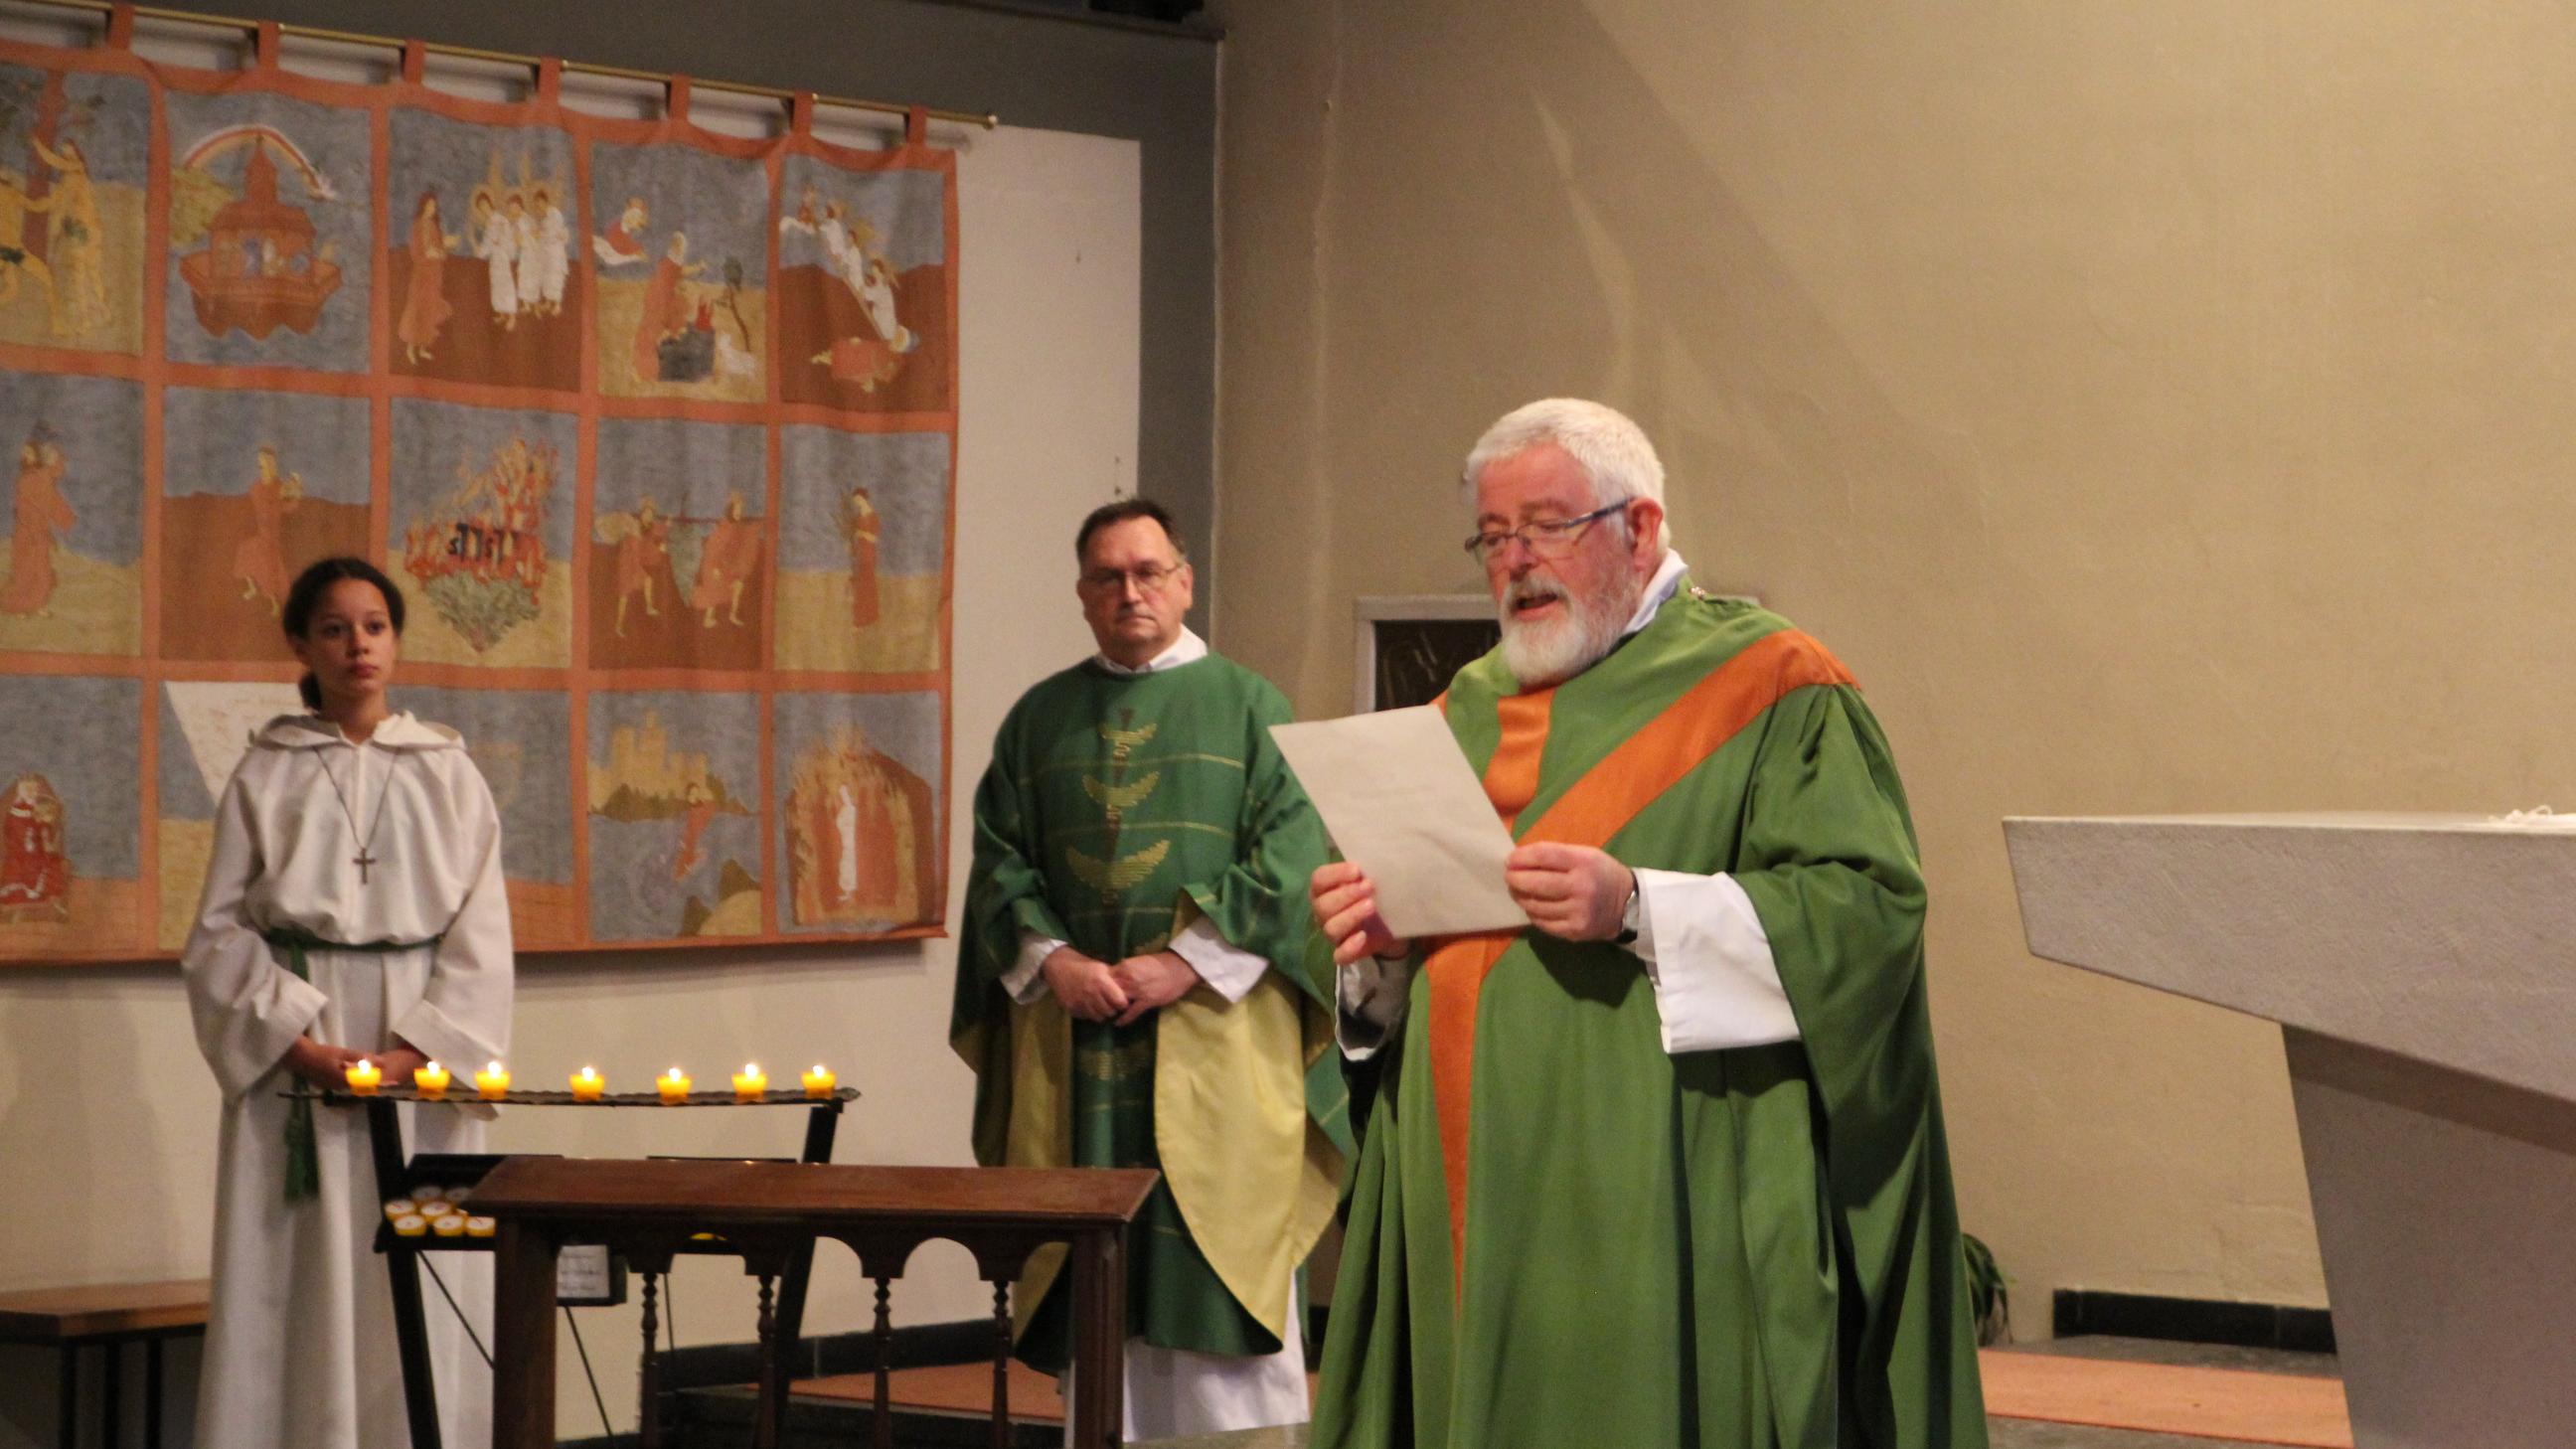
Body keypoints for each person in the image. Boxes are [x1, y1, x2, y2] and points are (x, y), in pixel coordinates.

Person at [1309, 400, 1987, 1449]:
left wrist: (1636, 907)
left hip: (1660, 1195)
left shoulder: (1774, 688)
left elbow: (1868, 914)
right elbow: (1434, 966)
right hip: (1471, 1203)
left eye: (1546, 526)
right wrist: (1381, 959)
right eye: (1493, 536)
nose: (1516, 561)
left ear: (1641, 527)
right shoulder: (1462, 710)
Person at [950, 499, 1346, 1442]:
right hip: (1079, 1040)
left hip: (1216, 1039)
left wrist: (1183, 962)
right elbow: (999, 862)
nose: (1130, 592)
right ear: (1083, 593)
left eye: (1149, 572)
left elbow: (1292, 859)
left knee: (1219, 1289)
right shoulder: (1037, 720)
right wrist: (1058, 961)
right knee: (1101, 1313)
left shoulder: (1252, 708)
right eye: (1107, 577)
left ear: (1184, 580)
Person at [184, 556, 514, 1449]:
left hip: (419, 1056)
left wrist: (423, 1048)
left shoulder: (449, 772)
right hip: (304, 1041)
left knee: (418, 1271)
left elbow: (482, 934)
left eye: (373, 626)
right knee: (299, 1275)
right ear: (301, 643)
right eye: (334, 628)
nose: (357, 645)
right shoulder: (268, 774)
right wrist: (293, 1039)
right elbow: (217, 934)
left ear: (395, 641)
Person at [3, 428, 74, 616]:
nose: (26, 455)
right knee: (24, 572)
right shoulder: (27, 480)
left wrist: (53, 453)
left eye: (30, 451)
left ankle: (36, 605)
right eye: (24, 452)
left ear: (36, 454)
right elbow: (26, 507)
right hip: (26, 534)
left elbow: (52, 500)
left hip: (38, 535)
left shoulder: (41, 477)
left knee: (41, 572)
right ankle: (20, 607)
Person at [397, 191, 457, 364]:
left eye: (434, 206)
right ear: (423, 206)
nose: (432, 208)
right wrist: (431, 254)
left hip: (434, 275)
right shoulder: (417, 226)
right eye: (429, 205)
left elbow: (440, 251)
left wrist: (445, 246)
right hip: (422, 275)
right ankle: (410, 349)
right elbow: (416, 253)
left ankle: (422, 348)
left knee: (430, 310)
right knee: (418, 309)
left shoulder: (434, 226)